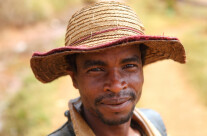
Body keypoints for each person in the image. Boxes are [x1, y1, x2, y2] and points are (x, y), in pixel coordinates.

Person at [30, 1, 186, 136]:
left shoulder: (154, 122)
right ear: (74, 78)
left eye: (129, 66)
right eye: (96, 69)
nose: (116, 86)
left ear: (141, 69)